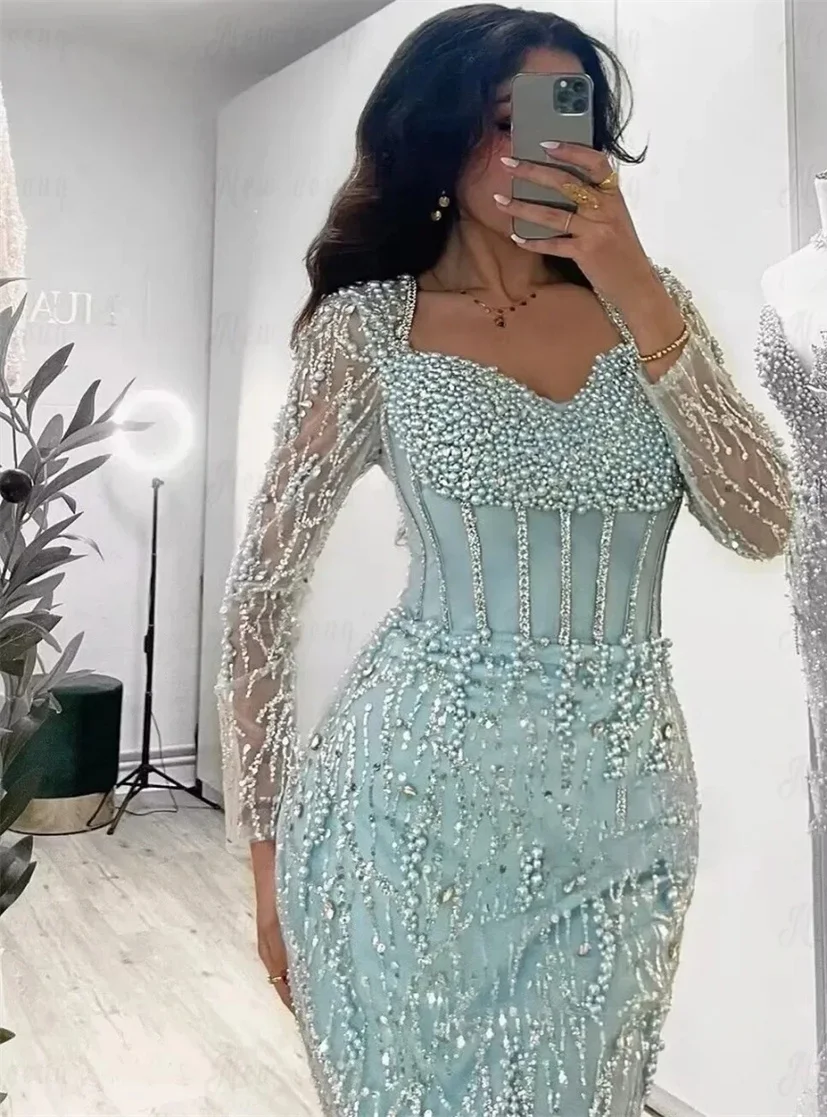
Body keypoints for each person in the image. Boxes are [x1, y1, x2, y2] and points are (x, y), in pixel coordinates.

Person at [216, 4, 792, 1114]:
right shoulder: (367, 330)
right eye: (498, 117)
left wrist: (633, 282)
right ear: (434, 136)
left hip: (617, 818)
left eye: (558, 116)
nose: (531, 148)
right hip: (398, 815)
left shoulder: (654, 312)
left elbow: (763, 521)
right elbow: (259, 600)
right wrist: (268, 857)